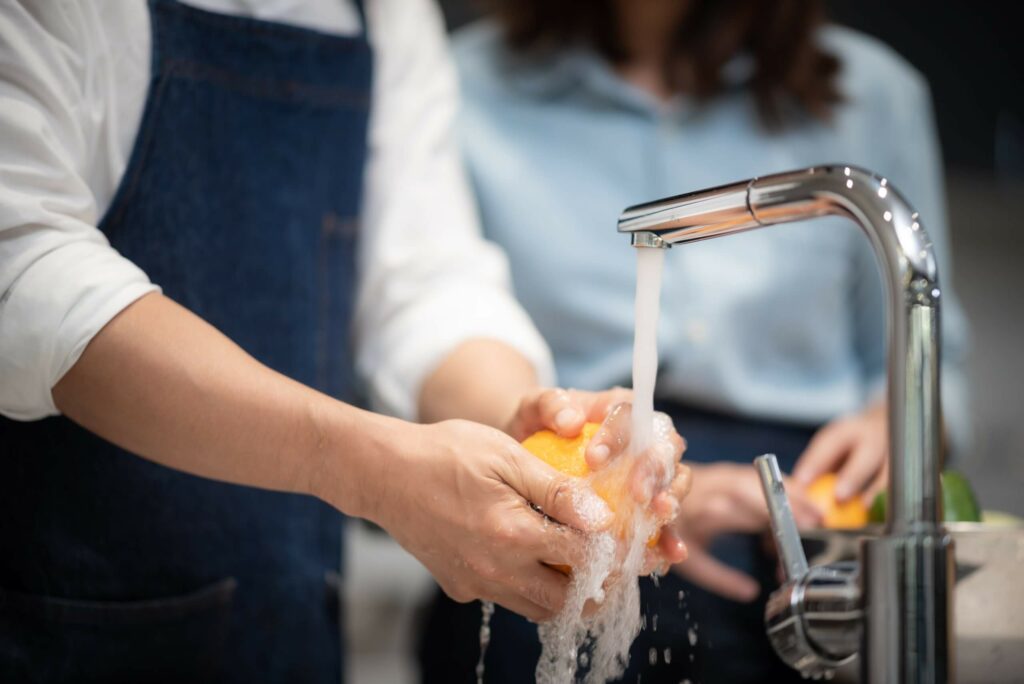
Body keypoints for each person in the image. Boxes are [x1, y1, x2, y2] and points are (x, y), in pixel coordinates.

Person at [0, 1, 690, 681]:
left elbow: (422, 283)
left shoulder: (386, 14)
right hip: (53, 607)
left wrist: (535, 426)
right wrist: (362, 468)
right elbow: (25, 268)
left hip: (285, 613)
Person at [417, 0, 970, 682]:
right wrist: (653, 489)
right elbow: (428, 323)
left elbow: (936, 364)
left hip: (801, 523)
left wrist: (899, 426)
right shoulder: (460, 86)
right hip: (569, 491)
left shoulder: (873, 96)